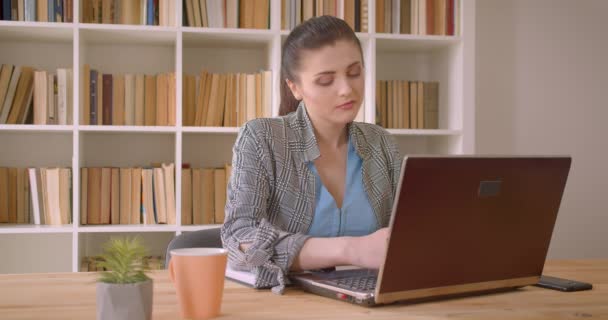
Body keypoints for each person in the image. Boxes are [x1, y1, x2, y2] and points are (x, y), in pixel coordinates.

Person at [221, 15, 402, 294]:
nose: (346, 89)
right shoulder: (262, 138)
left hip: (370, 301)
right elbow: (238, 237)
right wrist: (350, 249)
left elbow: (404, 235)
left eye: (355, 72)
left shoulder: (381, 144)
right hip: (286, 302)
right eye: (326, 80)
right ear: (295, 87)